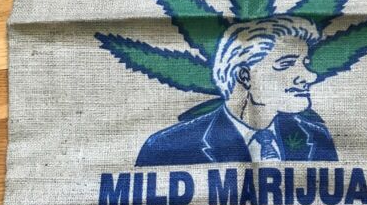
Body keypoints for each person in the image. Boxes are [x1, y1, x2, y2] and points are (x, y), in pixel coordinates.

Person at [135, 15, 338, 165]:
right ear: (245, 76)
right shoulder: (165, 147)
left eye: (305, 63)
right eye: (286, 64)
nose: (310, 76)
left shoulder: (316, 137)